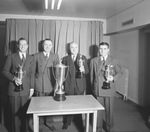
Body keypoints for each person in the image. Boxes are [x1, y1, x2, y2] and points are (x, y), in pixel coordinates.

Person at [2, 38, 35, 132]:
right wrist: (14, 79)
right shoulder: (11, 57)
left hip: (26, 90)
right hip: (13, 91)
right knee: (15, 115)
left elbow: (32, 74)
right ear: (17, 46)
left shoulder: (31, 58)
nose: (23, 46)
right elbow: (4, 71)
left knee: (25, 114)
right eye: (20, 44)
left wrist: (32, 88)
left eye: (25, 44)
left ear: (28, 46)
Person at [90, 42, 122, 132]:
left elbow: (120, 72)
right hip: (98, 90)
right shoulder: (94, 60)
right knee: (98, 111)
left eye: (105, 49)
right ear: (98, 50)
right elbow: (92, 77)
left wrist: (113, 78)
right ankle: (98, 128)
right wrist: (93, 88)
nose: (102, 51)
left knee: (109, 111)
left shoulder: (114, 60)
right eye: (101, 49)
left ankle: (110, 129)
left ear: (108, 50)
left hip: (109, 89)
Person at [62, 42, 89, 131]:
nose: (74, 49)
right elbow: (63, 73)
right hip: (69, 85)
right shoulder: (65, 59)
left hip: (79, 85)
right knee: (68, 104)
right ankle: (67, 122)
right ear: (69, 49)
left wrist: (83, 69)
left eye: (76, 47)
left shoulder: (83, 57)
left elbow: (87, 71)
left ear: (78, 48)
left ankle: (80, 124)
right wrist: (61, 85)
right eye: (72, 47)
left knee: (79, 105)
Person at [34, 38, 59, 131]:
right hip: (39, 84)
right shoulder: (36, 56)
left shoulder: (55, 56)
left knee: (49, 105)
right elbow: (33, 72)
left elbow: (57, 72)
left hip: (50, 84)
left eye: (49, 45)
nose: (47, 47)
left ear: (52, 46)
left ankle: (49, 122)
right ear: (42, 46)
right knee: (39, 105)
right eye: (46, 45)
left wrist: (58, 85)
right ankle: (39, 124)